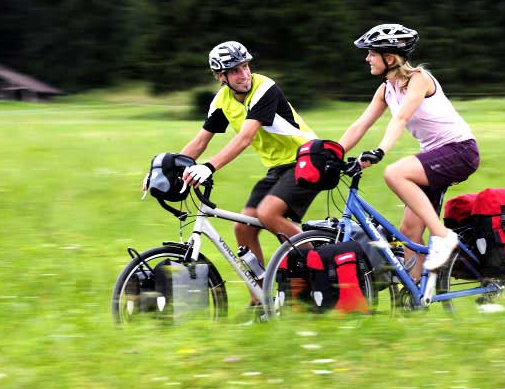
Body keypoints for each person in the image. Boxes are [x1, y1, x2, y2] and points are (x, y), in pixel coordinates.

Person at [338, 24, 480, 281]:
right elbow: (360, 125)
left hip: (460, 151)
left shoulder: (419, 80)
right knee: (409, 231)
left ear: (389, 58)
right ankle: (415, 296)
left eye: (371, 53)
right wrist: (332, 152)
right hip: (436, 157)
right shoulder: (385, 89)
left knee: (396, 173)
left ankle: (444, 236)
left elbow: (401, 117)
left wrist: (380, 151)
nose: (367, 58)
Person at [176, 41, 319, 277]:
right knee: (243, 228)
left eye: (245, 67)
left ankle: (318, 270)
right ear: (221, 76)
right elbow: (201, 141)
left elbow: (245, 137)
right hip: (277, 168)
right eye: (235, 70)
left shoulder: (264, 88)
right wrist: (169, 167)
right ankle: (260, 301)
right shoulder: (222, 101)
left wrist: (209, 167)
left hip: (308, 158)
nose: (244, 74)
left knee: (268, 213)